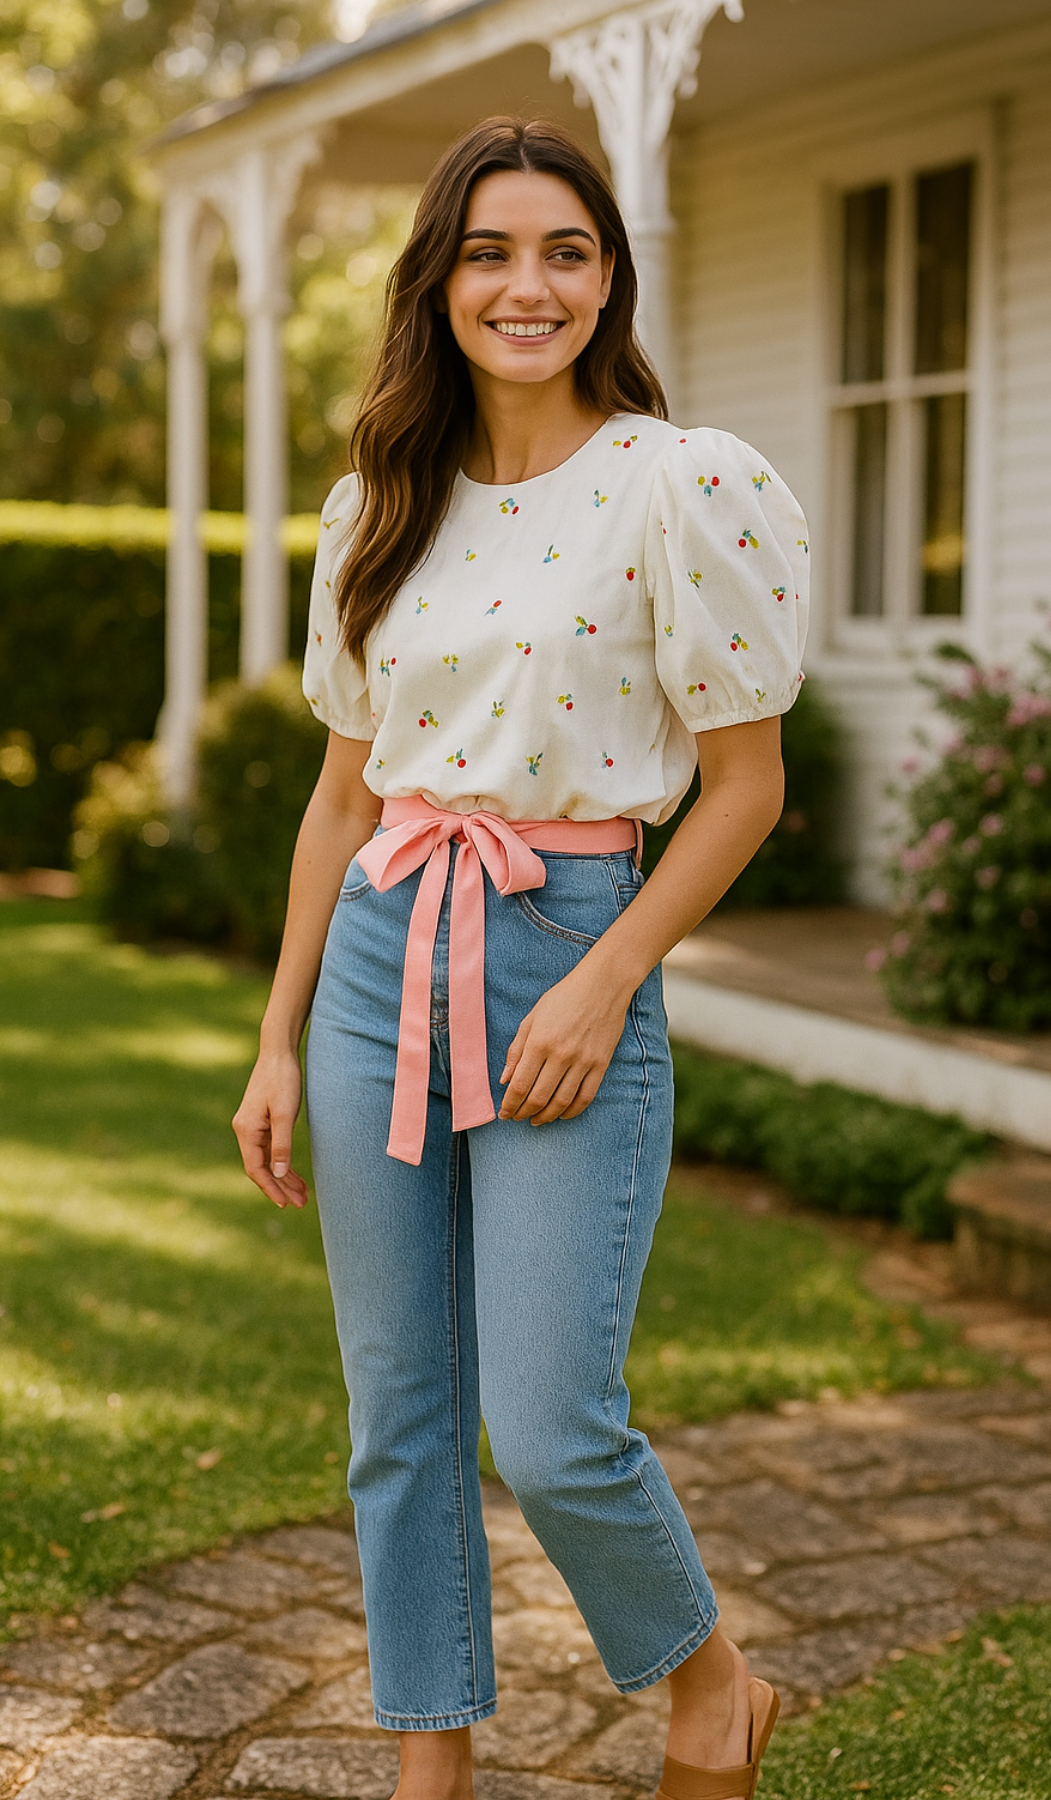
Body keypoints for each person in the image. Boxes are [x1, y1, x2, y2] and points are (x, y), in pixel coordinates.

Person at [233, 115, 809, 1800]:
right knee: (396, 1420)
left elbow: (745, 785)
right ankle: (433, 1772)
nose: (526, 285)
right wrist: (276, 1042)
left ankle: (713, 1689)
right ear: (440, 280)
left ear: (610, 276)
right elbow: (342, 799)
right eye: (489, 251)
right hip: (373, 963)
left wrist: (607, 971)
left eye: (565, 250)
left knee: (554, 1425)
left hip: (567, 944)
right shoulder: (375, 505)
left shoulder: (677, 480)